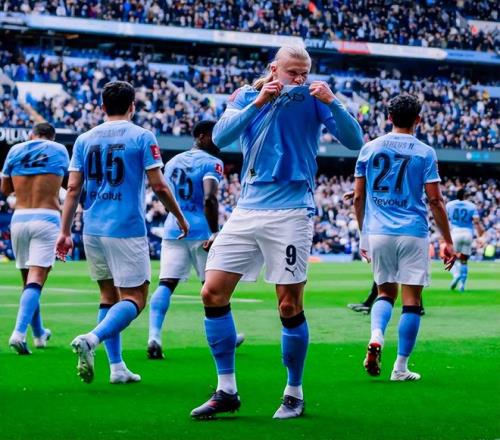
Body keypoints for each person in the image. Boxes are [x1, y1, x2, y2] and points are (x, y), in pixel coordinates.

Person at [190, 45, 363, 420]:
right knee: (211, 292)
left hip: (292, 209)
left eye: (304, 73)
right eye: (292, 73)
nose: (299, 79)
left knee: (288, 304)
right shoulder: (246, 95)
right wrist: (259, 102)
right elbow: (220, 137)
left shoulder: (315, 98)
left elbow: (355, 141)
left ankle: (294, 393)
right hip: (247, 207)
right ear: (274, 69)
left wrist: (333, 103)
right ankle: (226, 390)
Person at [56, 81, 189, 384]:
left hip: (92, 229)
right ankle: (92, 339)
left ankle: (117, 368)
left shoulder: (84, 139)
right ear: (132, 106)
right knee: (136, 298)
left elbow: (73, 188)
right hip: (126, 228)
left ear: (102, 107)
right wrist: (179, 216)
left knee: (108, 296)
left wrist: (64, 231)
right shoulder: (142, 136)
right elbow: (159, 185)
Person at [353, 94, 455, 382]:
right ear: (418, 119)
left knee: (385, 293)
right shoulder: (425, 152)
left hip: (378, 232)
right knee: (412, 302)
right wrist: (447, 241)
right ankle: (400, 367)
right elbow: (435, 201)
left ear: (388, 117)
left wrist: (364, 234)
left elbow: (358, 197)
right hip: (412, 231)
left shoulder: (369, 148)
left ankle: (376, 335)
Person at [147, 120, 244, 359]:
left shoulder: (172, 162)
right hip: (202, 232)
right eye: (214, 135)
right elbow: (209, 198)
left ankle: (154, 336)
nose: (218, 140)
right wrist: (214, 231)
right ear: (201, 136)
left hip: (174, 228)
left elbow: (164, 194)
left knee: (166, 283)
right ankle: (227, 337)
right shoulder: (212, 162)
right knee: (213, 287)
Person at [1, 122, 69, 354]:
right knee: (36, 279)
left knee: (29, 283)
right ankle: (18, 334)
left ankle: (39, 335)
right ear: (52, 136)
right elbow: (69, 184)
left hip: (19, 218)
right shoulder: (58, 150)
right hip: (47, 218)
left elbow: (5, 189)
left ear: (32, 135)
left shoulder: (15, 150)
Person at [446, 188, 484, 291]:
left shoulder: (450, 205)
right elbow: (476, 221)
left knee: (450, 258)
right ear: (465, 196)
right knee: (464, 260)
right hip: (468, 233)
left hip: (455, 232)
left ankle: (456, 275)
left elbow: (445, 218)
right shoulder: (471, 206)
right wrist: (480, 235)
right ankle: (462, 285)